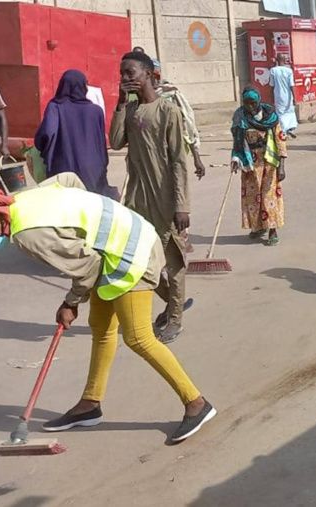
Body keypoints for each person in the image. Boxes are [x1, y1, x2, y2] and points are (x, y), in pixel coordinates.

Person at [0, 174, 215, 442]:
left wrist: (71, 303)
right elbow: (69, 180)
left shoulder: (28, 235)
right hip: (114, 248)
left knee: (138, 337)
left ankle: (196, 403)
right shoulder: (22, 199)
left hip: (132, 253)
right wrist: (92, 221)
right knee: (101, 328)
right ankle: (90, 405)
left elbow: (87, 267)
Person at [109, 51, 190, 344]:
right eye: (122, 74)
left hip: (166, 198)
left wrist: (182, 205)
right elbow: (115, 141)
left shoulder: (168, 111)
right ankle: (173, 302)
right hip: (137, 199)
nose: (125, 78)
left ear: (148, 75)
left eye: (130, 73)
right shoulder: (130, 111)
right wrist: (119, 104)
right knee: (138, 261)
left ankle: (176, 319)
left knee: (172, 261)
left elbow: (179, 160)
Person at [33, 70, 112, 196]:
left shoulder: (55, 106)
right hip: (94, 169)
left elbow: (46, 134)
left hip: (64, 167)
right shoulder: (96, 111)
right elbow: (101, 143)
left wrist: (41, 149)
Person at [230, 87, 287, 246]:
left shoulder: (270, 117)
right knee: (252, 196)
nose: (250, 107)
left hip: (268, 161)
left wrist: (281, 166)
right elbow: (237, 140)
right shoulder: (240, 116)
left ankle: (272, 230)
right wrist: (235, 158)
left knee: (269, 196)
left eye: (253, 103)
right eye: (246, 103)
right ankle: (257, 226)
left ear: (259, 101)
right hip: (250, 162)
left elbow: (280, 140)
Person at [153, 61, 207, 179]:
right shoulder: (138, 98)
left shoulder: (171, 93)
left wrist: (197, 158)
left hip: (171, 151)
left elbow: (187, 127)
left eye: (157, 76)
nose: (155, 80)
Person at [270, 54, 298, 139]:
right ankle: (290, 129)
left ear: (276, 60)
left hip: (278, 96)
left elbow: (271, 85)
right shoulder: (289, 70)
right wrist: (294, 98)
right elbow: (292, 85)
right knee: (290, 112)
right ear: (284, 60)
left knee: (280, 114)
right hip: (288, 96)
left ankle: (284, 131)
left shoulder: (273, 70)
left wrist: (271, 97)